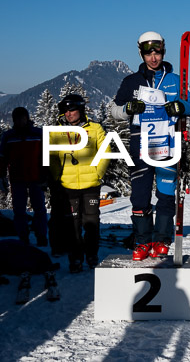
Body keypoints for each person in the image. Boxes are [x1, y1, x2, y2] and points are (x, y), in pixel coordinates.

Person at [112, 31, 190, 261]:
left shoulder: (175, 80)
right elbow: (113, 111)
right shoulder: (131, 82)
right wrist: (126, 110)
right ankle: (142, 241)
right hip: (140, 148)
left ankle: (162, 239)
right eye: (148, 53)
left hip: (167, 148)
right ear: (141, 53)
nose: (154, 58)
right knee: (140, 198)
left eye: (158, 52)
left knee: (165, 195)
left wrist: (181, 107)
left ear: (163, 52)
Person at [48, 94, 110, 272]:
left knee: (91, 223)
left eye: (72, 109)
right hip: (68, 186)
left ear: (81, 109)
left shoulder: (95, 128)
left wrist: (98, 173)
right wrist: (56, 178)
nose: (68, 113)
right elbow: (52, 157)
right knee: (72, 226)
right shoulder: (56, 131)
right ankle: (75, 258)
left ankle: (91, 255)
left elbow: (105, 150)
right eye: (65, 110)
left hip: (91, 183)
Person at [0, 107, 48, 246]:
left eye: (23, 118)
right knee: (19, 210)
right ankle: (23, 237)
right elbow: (3, 158)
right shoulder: (8, 136)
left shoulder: (38, 134)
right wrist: (2, 176)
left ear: (27, 118)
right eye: (17, 118)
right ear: (14, 120)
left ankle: (41, 236)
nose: (20, 121)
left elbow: (46, 156)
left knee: (39, 209)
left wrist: (45, 175)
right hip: (17, 179)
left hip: (36, 178)